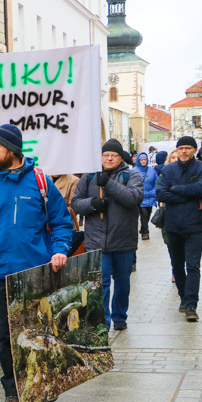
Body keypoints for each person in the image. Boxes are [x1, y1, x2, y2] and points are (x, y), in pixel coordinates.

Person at [0, 124, 73, 402]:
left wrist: (60, 249)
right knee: (4, 337)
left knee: (39, 333)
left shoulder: (40, 182)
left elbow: (62, 222)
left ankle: (45, 381)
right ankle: (13, 392)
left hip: (35, 273)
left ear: (11, 150)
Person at [71, 139, 144, 331]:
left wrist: (109, 184)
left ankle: (120, 315)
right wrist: (93, 204)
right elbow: (76, 203)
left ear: (121, 158)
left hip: (123, 241)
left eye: (114, 155)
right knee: (100, 284)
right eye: (106, 155)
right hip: (96, 241)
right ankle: (102, 320)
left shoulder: (132, 176)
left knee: (122, 283)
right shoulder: (88, 177)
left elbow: (133, 198)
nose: (109, 158)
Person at [156, 136, 202, 322]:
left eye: (188, 148)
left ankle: (191, 305)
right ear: (177, 150)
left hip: (195, 225)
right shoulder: (168, 169)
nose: (184, 151)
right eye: (181, 148)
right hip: (173, 225)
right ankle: (183, 296)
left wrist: (176, 189)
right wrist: (186, 195)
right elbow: (160, 192)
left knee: (193, 266)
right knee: (177, 266)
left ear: (195, 150)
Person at [132, 152, 158, 240]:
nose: (143, 161)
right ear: (138, 161)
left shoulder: (152, 170)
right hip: (140, 198)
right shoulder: (134, 170)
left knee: (148, 214)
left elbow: (156, 182)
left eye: (145, 159)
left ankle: (143, 229)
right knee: (144, 214)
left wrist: (154, 191)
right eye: (141, 160)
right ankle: (145, 233)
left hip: (150, 197)